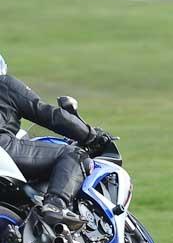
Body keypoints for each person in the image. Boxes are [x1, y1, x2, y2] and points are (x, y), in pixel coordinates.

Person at [0, 53, 111, 229]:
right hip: (3, 149)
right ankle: (56, 205)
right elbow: (50, 115)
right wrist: (90, 135)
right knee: (73, 154)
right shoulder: (4, 85)